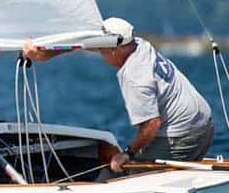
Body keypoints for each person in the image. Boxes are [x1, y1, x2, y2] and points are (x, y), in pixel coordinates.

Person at [22, 17, 214, 175]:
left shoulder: (135, 75)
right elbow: (81, 46)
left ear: (114, 48)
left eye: (102, 49)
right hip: (205, 125)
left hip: (183, 135)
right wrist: (42, 53)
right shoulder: (138, 44)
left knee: (127, 176)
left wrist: (127, 153)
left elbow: (151, 124)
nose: (100, 52)